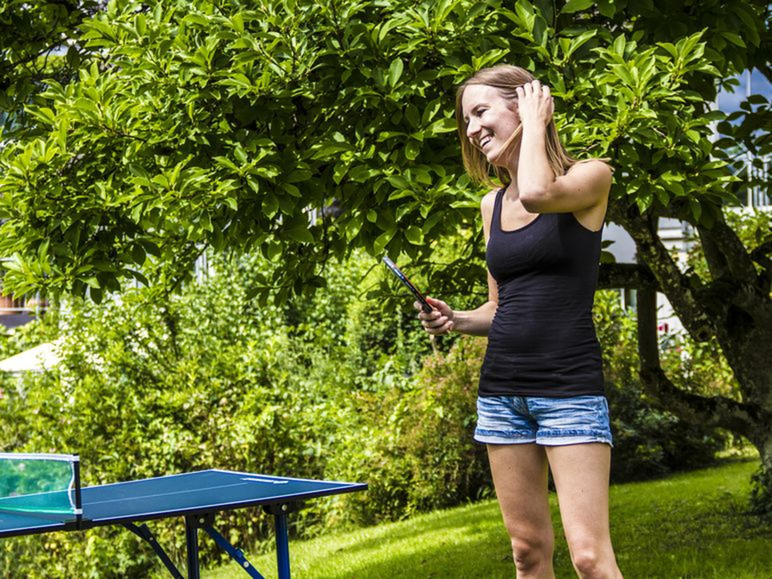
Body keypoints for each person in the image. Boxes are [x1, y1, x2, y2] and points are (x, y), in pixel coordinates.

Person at [415, 65, 623, 579]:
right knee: (526, 554)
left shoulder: (590, 177)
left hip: (568, 390)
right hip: (503, 395)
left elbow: (536, 193)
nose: (472, 129)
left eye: (481, 112)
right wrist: (456, 320)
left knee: (590, 559)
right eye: (466, 120)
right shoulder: (491, 205)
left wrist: (534, 123)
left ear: (529, 105)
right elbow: (499, 306)